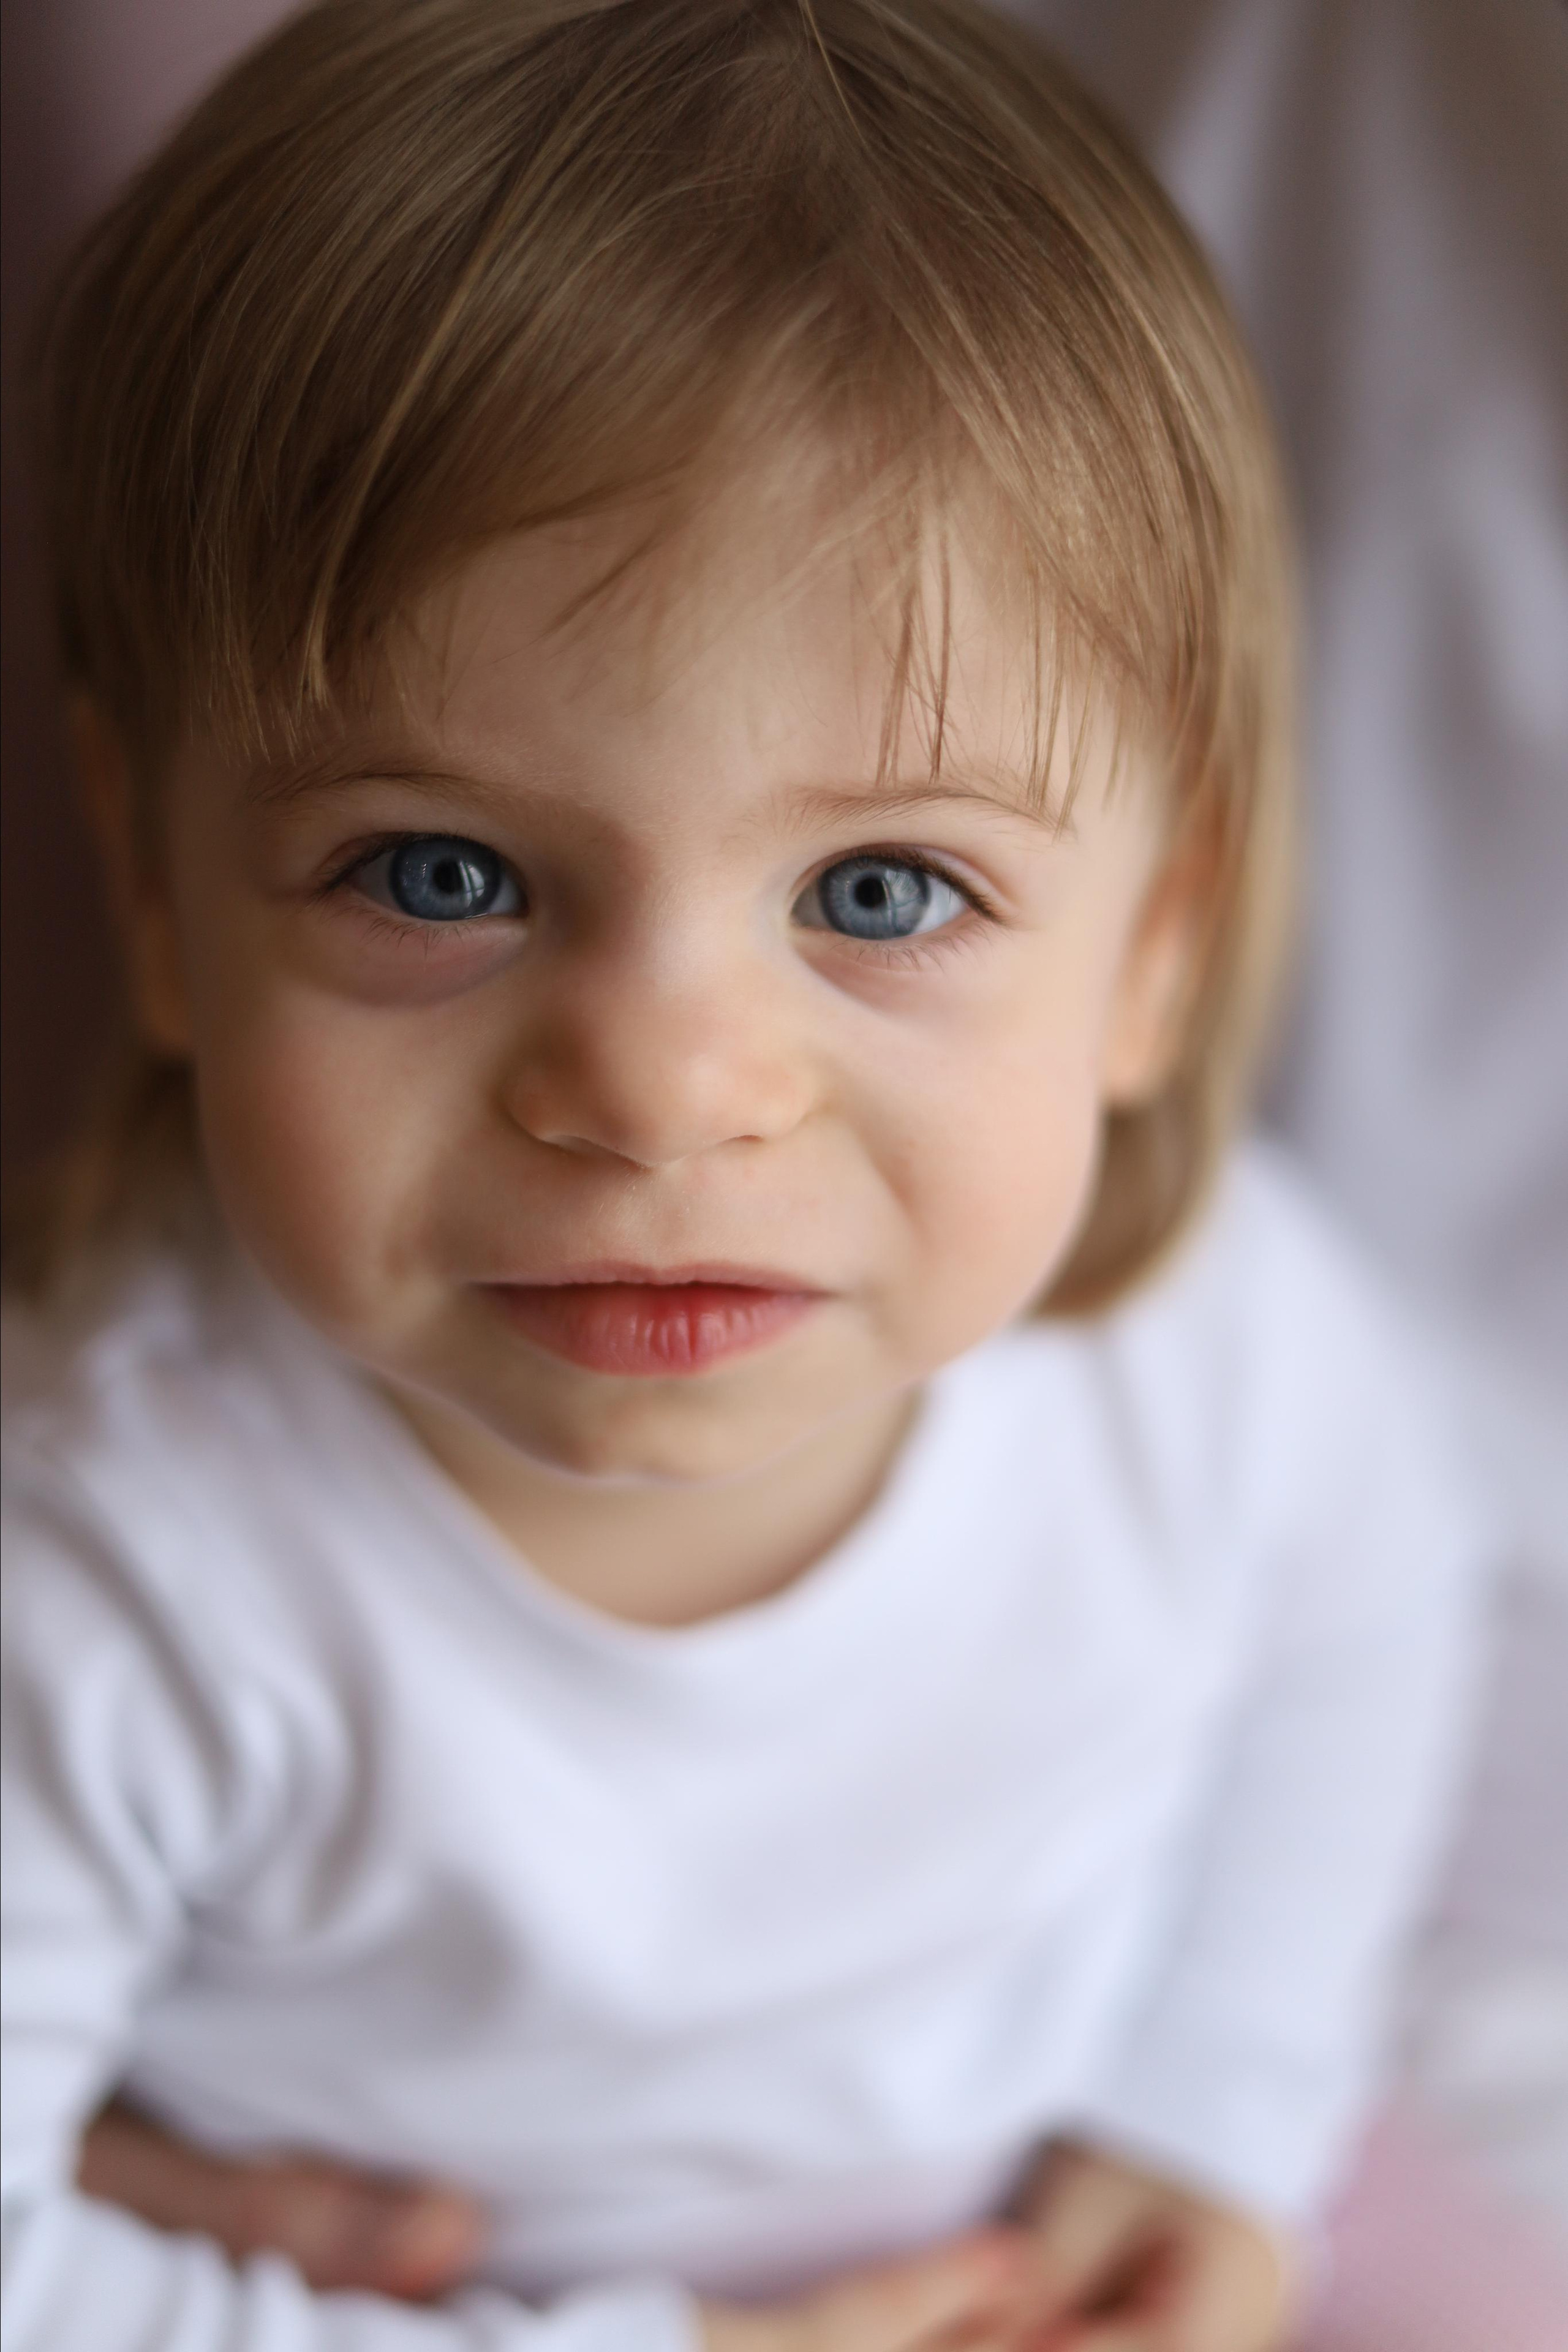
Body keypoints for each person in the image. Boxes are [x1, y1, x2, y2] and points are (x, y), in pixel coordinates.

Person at [0, 2, 1487, 2346]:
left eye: (883, 894)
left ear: (1153, 950)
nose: (668, 1093)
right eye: (437, 873)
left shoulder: (1200, 1344)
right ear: (159, 893)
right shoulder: (109, 1553)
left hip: (1073, 2223)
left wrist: (1218, 2108)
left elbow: (1366, 1607)